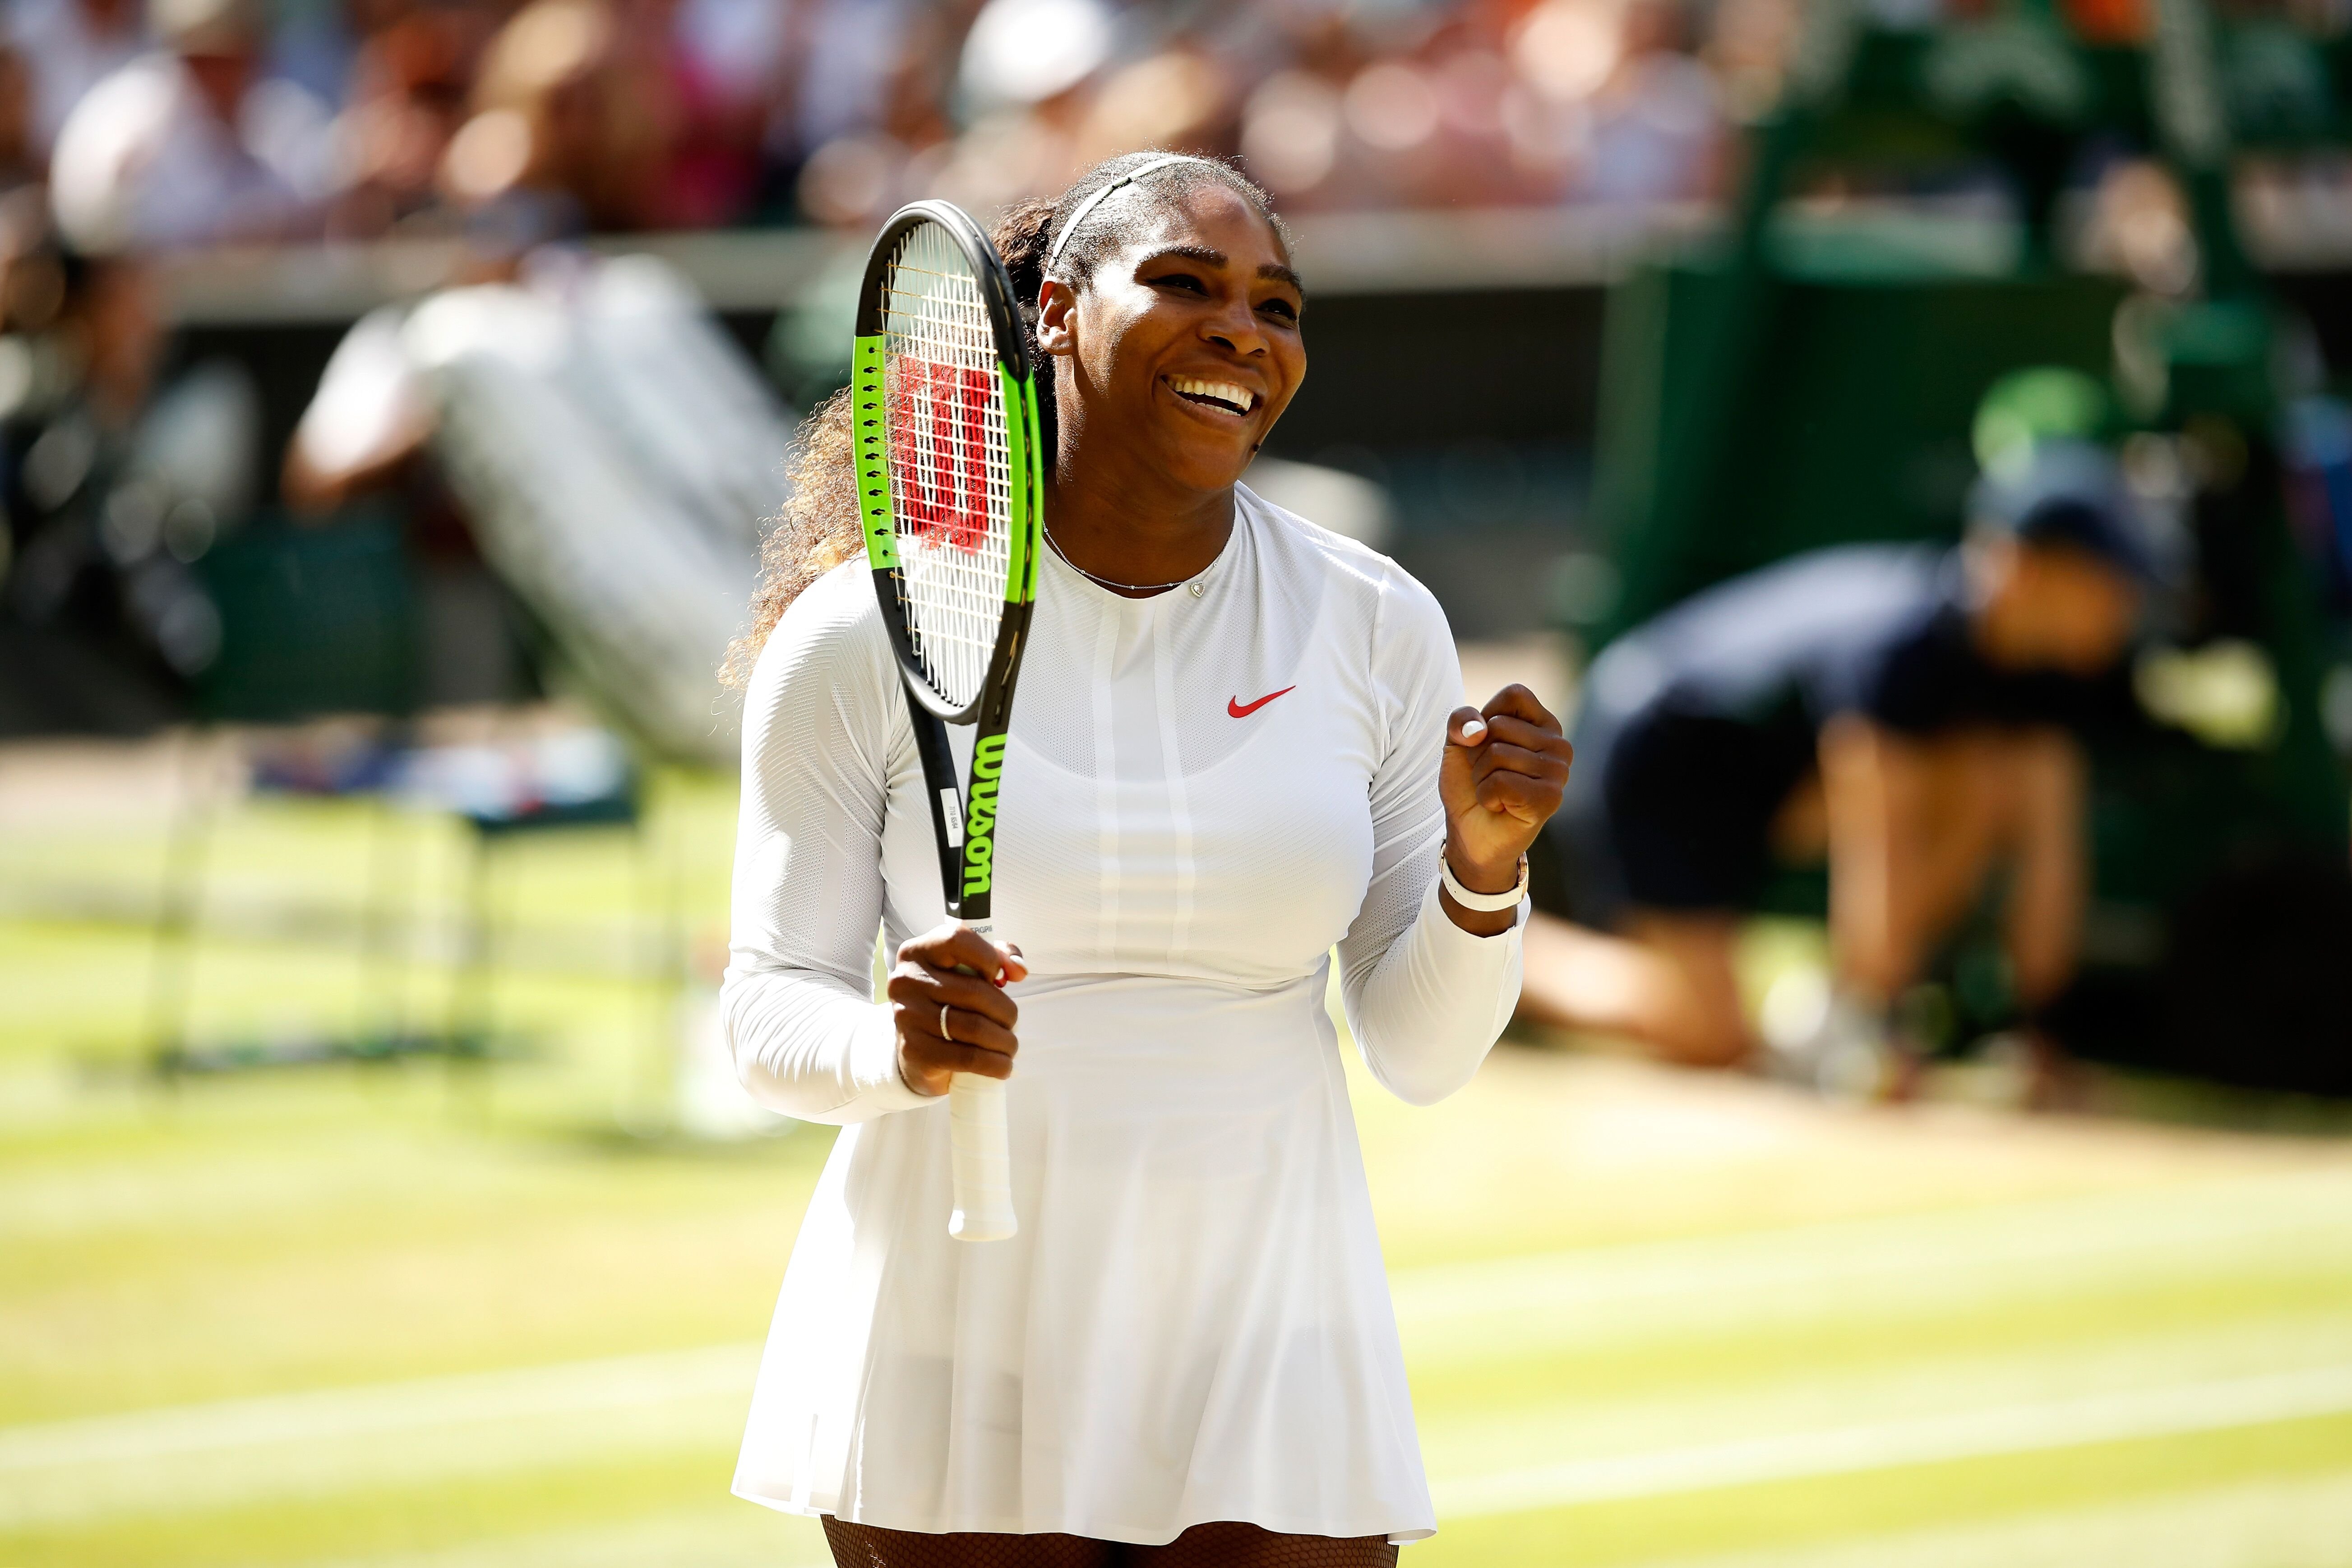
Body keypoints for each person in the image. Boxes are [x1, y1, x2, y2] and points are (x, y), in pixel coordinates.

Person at [720, 152, 1571, 1565]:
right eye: (1182, 282)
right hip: (954, 1327)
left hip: (1273, 1319)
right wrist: (897, 1047)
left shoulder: (1374, 621)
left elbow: (1421, 1053)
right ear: (1051, 311)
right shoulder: (853, 636)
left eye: (1277, 305)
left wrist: (1483, 870)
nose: (1242, 329)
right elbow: (765, 1007)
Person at [1516, 436, 2153, 1080]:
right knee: (1706, 1035)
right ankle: (1481, 951)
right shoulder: (1903, 650)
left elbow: (2049, 850)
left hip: (1763, 778)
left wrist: (2040, 1029)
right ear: (2025, 569)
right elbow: (1877, 848)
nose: (2124, 609)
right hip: (1660, 749)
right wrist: (1872, 1031)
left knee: (1986, 785)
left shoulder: (2042, 682)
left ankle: (1835, 1012)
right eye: (2107, 584)